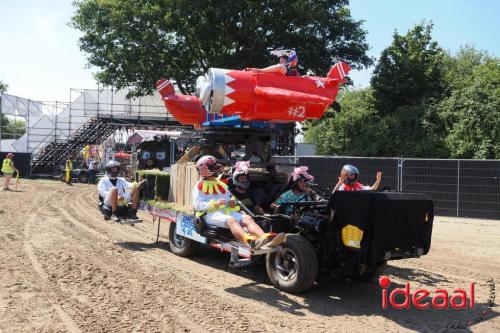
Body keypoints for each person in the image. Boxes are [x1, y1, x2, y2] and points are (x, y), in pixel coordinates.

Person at [193, 155, 285, 250]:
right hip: (210, 215)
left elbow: (229, 199)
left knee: (247, 218)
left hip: (224, 212)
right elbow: (197, 205)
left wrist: (231, 203)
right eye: (215, 168)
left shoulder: (220, 184)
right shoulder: (199, 186)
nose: (218, 170)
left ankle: (265, 238)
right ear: (206, 171)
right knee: (231, 220)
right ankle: (251, 242)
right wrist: (213, 204)